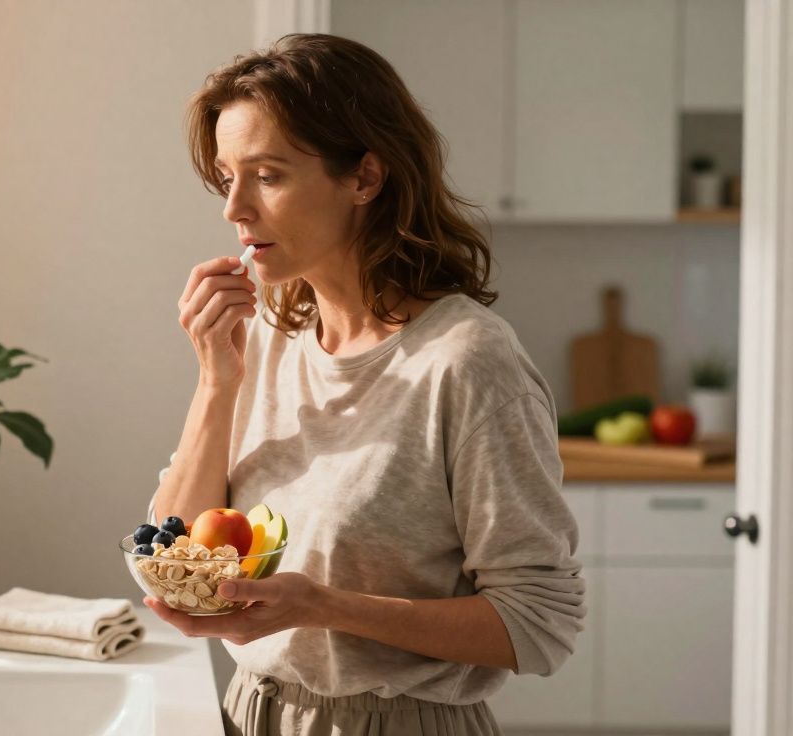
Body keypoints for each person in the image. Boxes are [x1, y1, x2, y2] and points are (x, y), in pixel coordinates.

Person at [144, 34, 585, 736]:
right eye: (227, 178)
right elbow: (174, 557)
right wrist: (215, 382)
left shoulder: (467, 363)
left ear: (365, 178)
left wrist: (323, 607)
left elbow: (539, 625)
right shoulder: (267, 337)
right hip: (247, 712)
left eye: (268, 175)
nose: (235, 208)